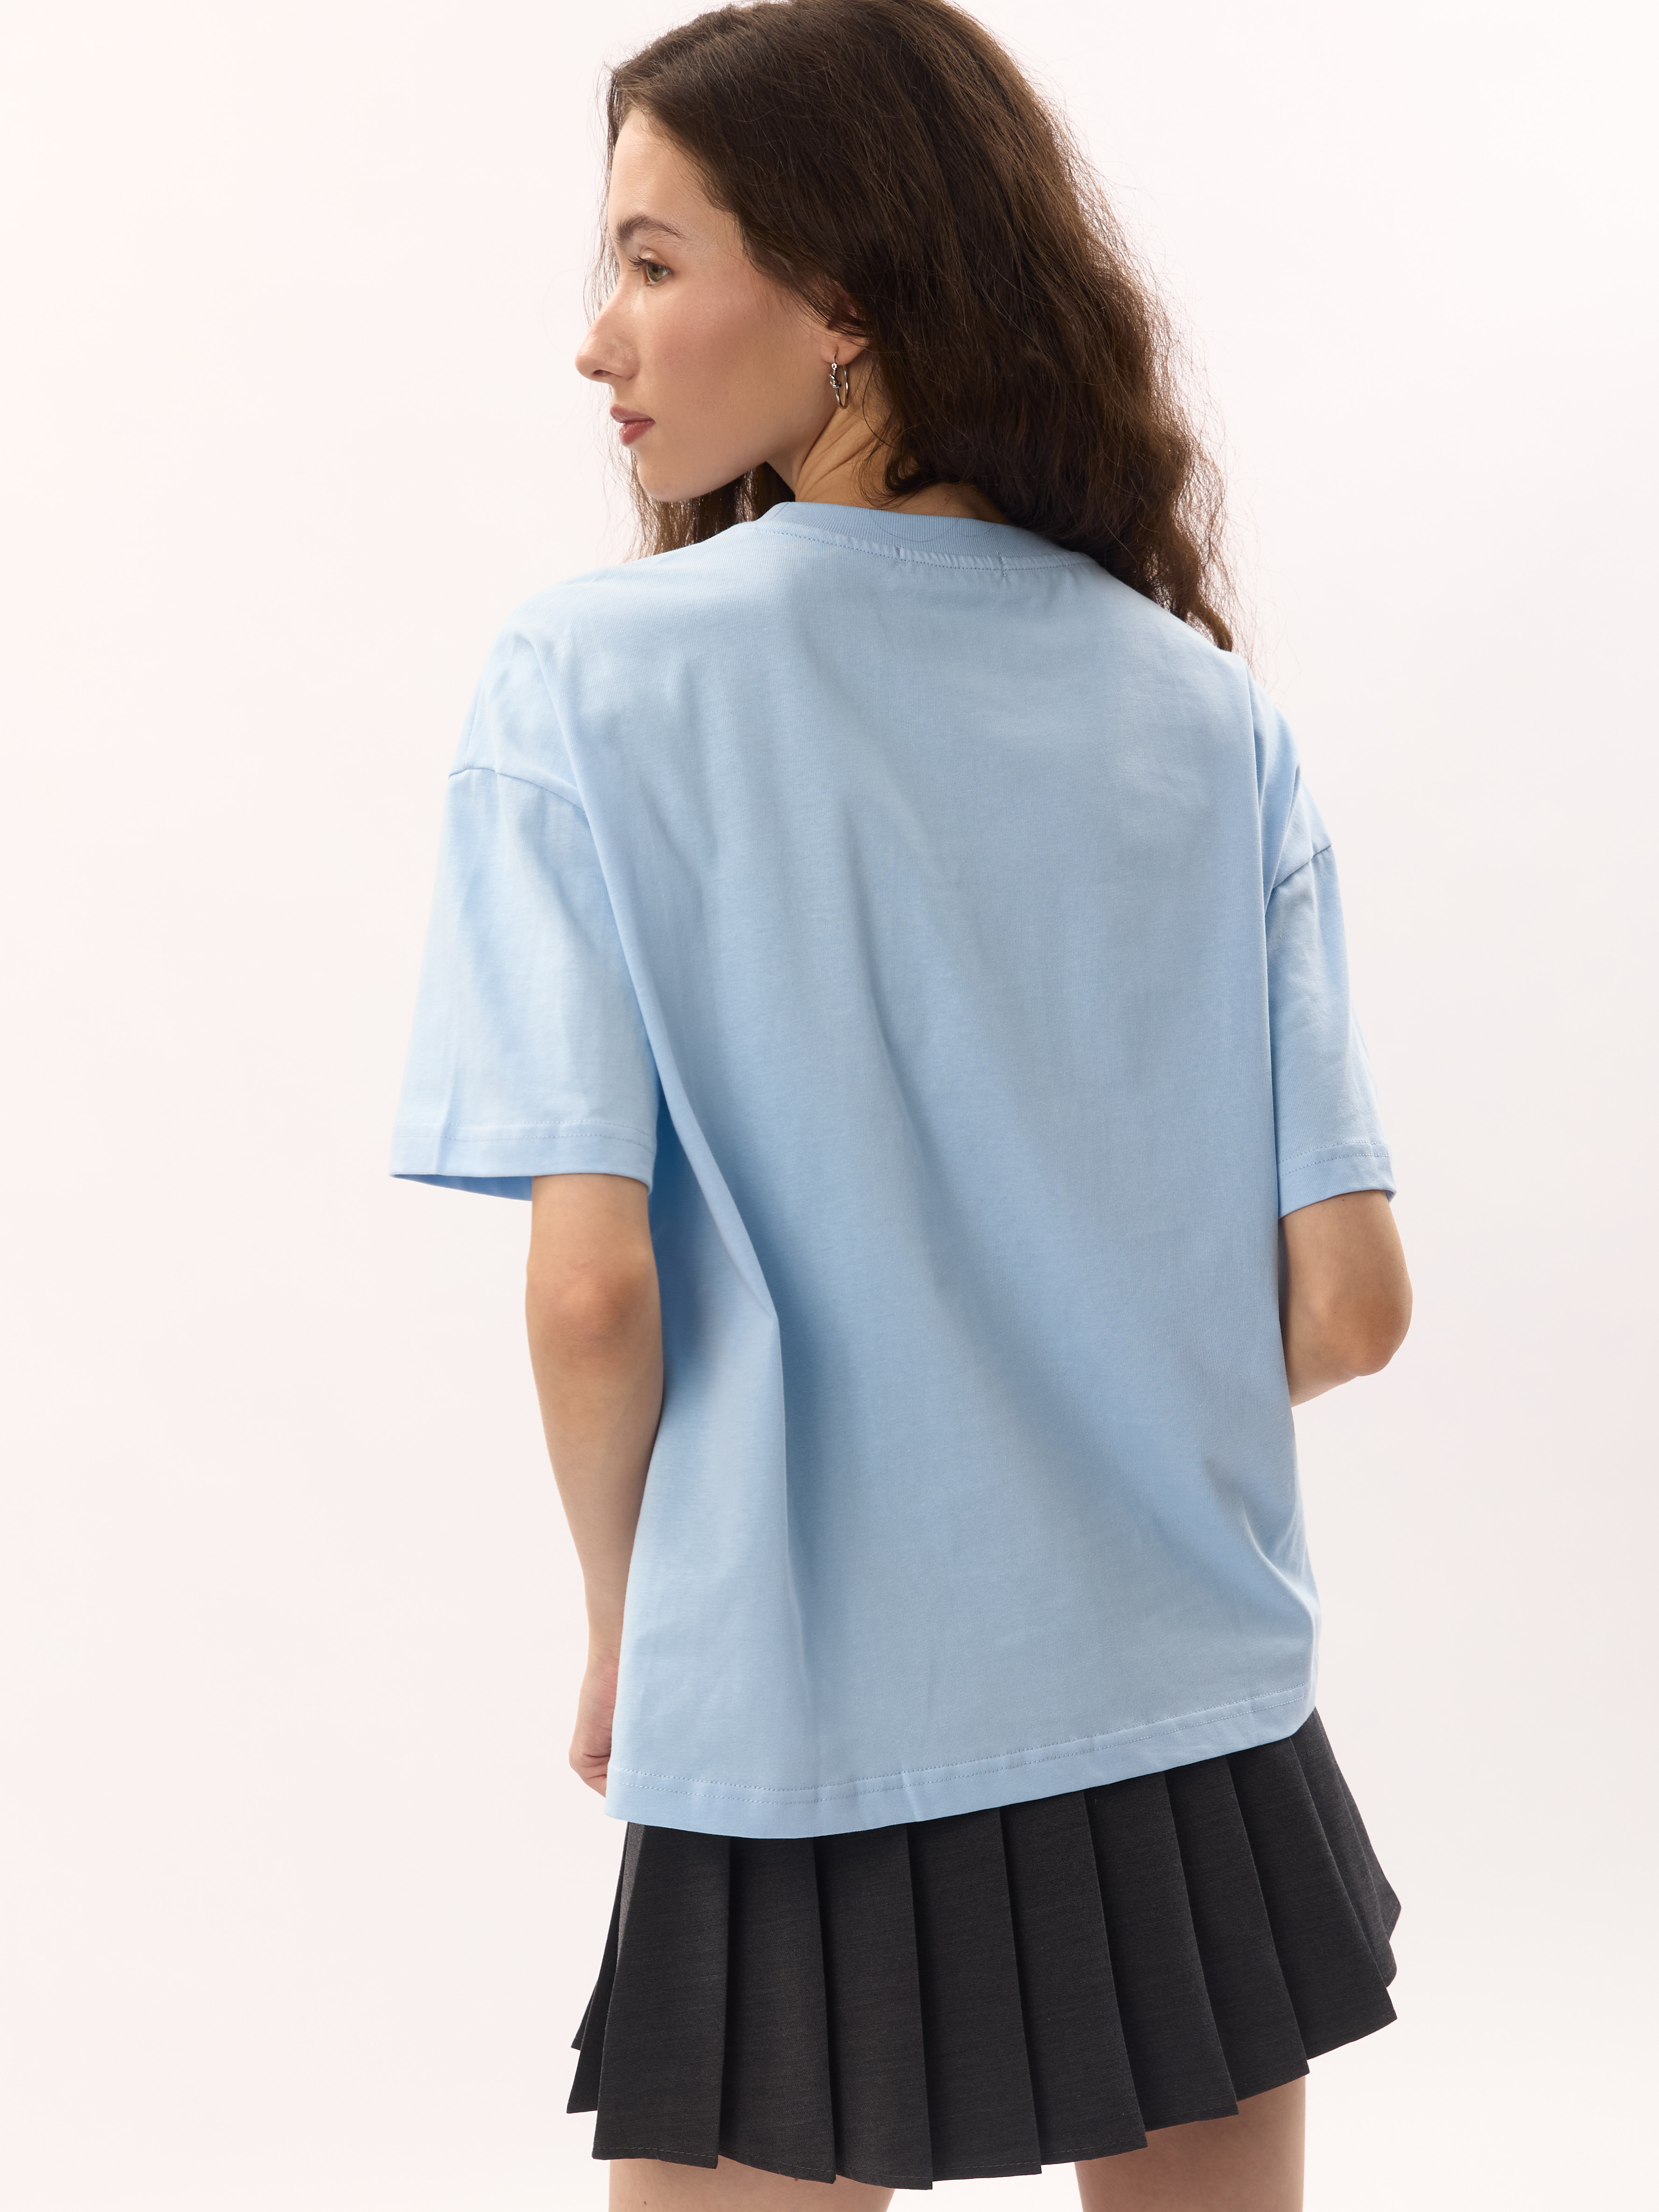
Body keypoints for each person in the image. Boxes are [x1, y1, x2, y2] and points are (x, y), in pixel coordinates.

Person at [389, 1, 1413, 2205]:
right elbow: (1346, 1308)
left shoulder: (585, 686)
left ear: (844, 295)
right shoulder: (1201, 716)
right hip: (1192, 1728)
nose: (595, 338)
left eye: (651, 260)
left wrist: (625, 1622)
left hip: (795, 1721)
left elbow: (590, 1293)